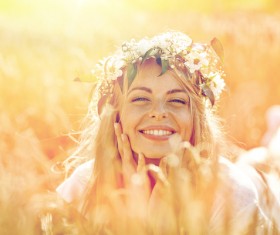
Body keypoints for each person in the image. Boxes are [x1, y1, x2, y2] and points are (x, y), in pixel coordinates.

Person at [46, 32, 271, 234]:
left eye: (176, 100)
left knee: (265, 163)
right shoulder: (85, 183)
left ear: (196, 117)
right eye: (141, 99)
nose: (159, 113)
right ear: (115, 114)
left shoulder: (232, 196)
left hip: (266, 189)